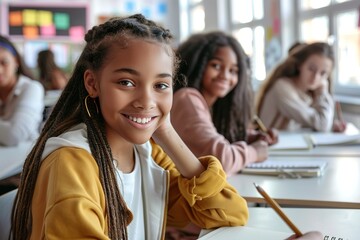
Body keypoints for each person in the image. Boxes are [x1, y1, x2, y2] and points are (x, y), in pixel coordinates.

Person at [11, 14, 250, 240]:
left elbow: (230, 213)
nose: (146, 101)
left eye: (160, 85)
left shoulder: (150, 153)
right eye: (126, 82)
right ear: (92, 83)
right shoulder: (71, 162)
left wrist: (166, 131)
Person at [171, 31, 278, 177]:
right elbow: (221, 160)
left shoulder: (210, 104)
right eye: (216, 66)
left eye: (233, 71)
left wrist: (249, 137)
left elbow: (211, 135)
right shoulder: (187, 98)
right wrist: (254, 152)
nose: (225, 76)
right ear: (197, 64)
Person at [256, 42, 346, 132]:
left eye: (323, 73)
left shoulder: (310, 92)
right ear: (300, 65)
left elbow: (313, 124)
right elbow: (322, 124)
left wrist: (331, 126)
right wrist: (323, 93)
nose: (316, 77)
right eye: (311, 69)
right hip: (272, 144)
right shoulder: (282, 87)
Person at [0, 35, 44, 146]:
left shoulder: (32, 88)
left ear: (16, 62)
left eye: (4, 62)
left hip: (25, 160)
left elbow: (14, 135)